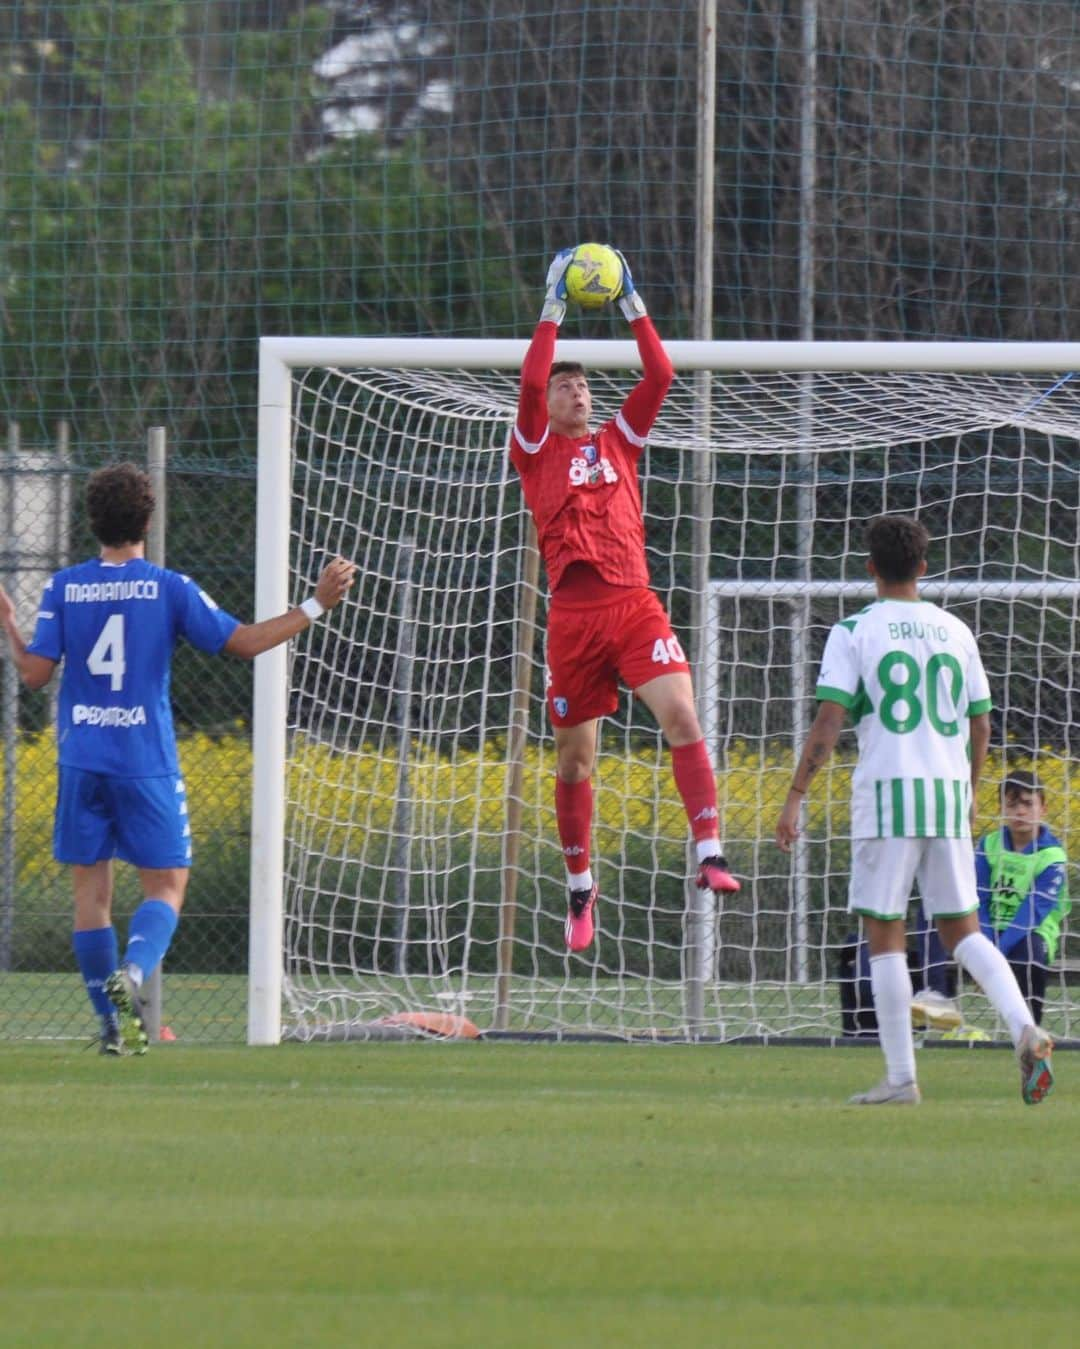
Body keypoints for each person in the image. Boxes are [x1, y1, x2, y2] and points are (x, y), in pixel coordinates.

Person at [0, 462, 356, 1055]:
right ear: (148, 518)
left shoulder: (65, 587)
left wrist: (11, 627)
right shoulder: (168, 587)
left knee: (91, 896)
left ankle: (115, 1027)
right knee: (166, 887)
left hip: (81, 758)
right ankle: (133, 976)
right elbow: (241, 643)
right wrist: (315, 605)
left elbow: (35, 675)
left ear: (92, 521)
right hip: (144, 758)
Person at [775, 514, 1054, 1105]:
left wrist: (796, 794)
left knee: (883, 932)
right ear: (923, 567)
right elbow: (981, 724)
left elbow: (829, 721)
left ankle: (902, 1078)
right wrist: (971, 790)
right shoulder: (955, 630)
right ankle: (1023, 1027)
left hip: (888, 795)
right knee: (963, 931)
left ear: (870, 567)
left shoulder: (854, 630)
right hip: (948, 795)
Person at [511, 248, 738, 953]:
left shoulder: (621, 441)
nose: (578, 392)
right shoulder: (533, 449)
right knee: (575, 762)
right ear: (547, 405)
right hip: (573, 621)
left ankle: (709, 849)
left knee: (682, 712)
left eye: (583, 385)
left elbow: (662, 373)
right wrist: (553, 303)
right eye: (566, 386)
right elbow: (528, 377)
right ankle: (581, 888)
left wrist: (631, 299)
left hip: (633, 604)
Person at [976, 769, 1070, 1027]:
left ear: (1044, 808)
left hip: (1032, 932)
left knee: (1028, 956)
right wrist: (984, 944)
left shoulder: (1053, 857)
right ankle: (937, 1001)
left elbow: (1031, 914)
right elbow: (979, 900)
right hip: (988, 931)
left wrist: (996, 954)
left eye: (1028, 804)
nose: (1020, 812)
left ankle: (1031, 1031)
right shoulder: (988, 845)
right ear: (1001, 808)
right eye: (1012, 804)